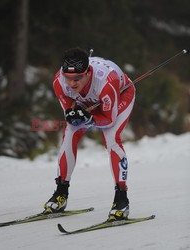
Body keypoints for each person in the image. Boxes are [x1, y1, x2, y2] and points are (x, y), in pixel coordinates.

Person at [44, 47, 135, 221]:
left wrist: (89, 117)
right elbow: (70, 112)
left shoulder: (106, 82)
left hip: (121, 95)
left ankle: (122, 199)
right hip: (88, 101)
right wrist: (76, 114)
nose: (71, 84)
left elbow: (108, 119)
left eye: (77, 78)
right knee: (69, 134)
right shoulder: (58, 81)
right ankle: (60, 193)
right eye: (68, 78)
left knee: (111, 139)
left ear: (88, 73)